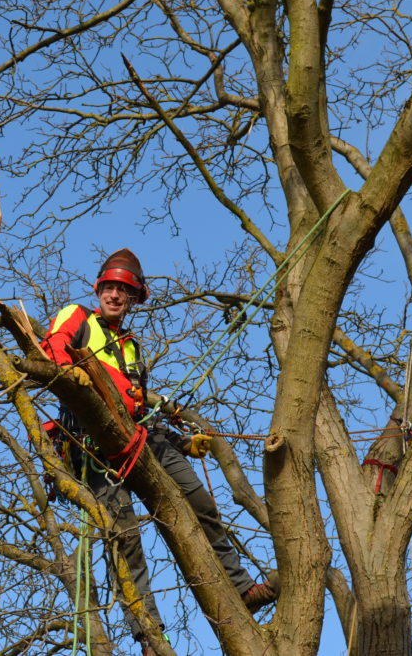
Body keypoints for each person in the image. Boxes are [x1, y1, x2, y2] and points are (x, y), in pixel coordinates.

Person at [41, 248, 277, 655]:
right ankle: (150, 636)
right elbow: (53, 349)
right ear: (100, 290)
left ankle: (242, 588)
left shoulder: (132, 347)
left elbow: (139, 410)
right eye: (110, 287)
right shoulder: (77, 317)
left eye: (124, 290)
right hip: (93, 446)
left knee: (200, 503)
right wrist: (78, 378)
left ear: (134, 298)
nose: (115, 295)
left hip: (141, 439)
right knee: (125, 537)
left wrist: (184, 442)